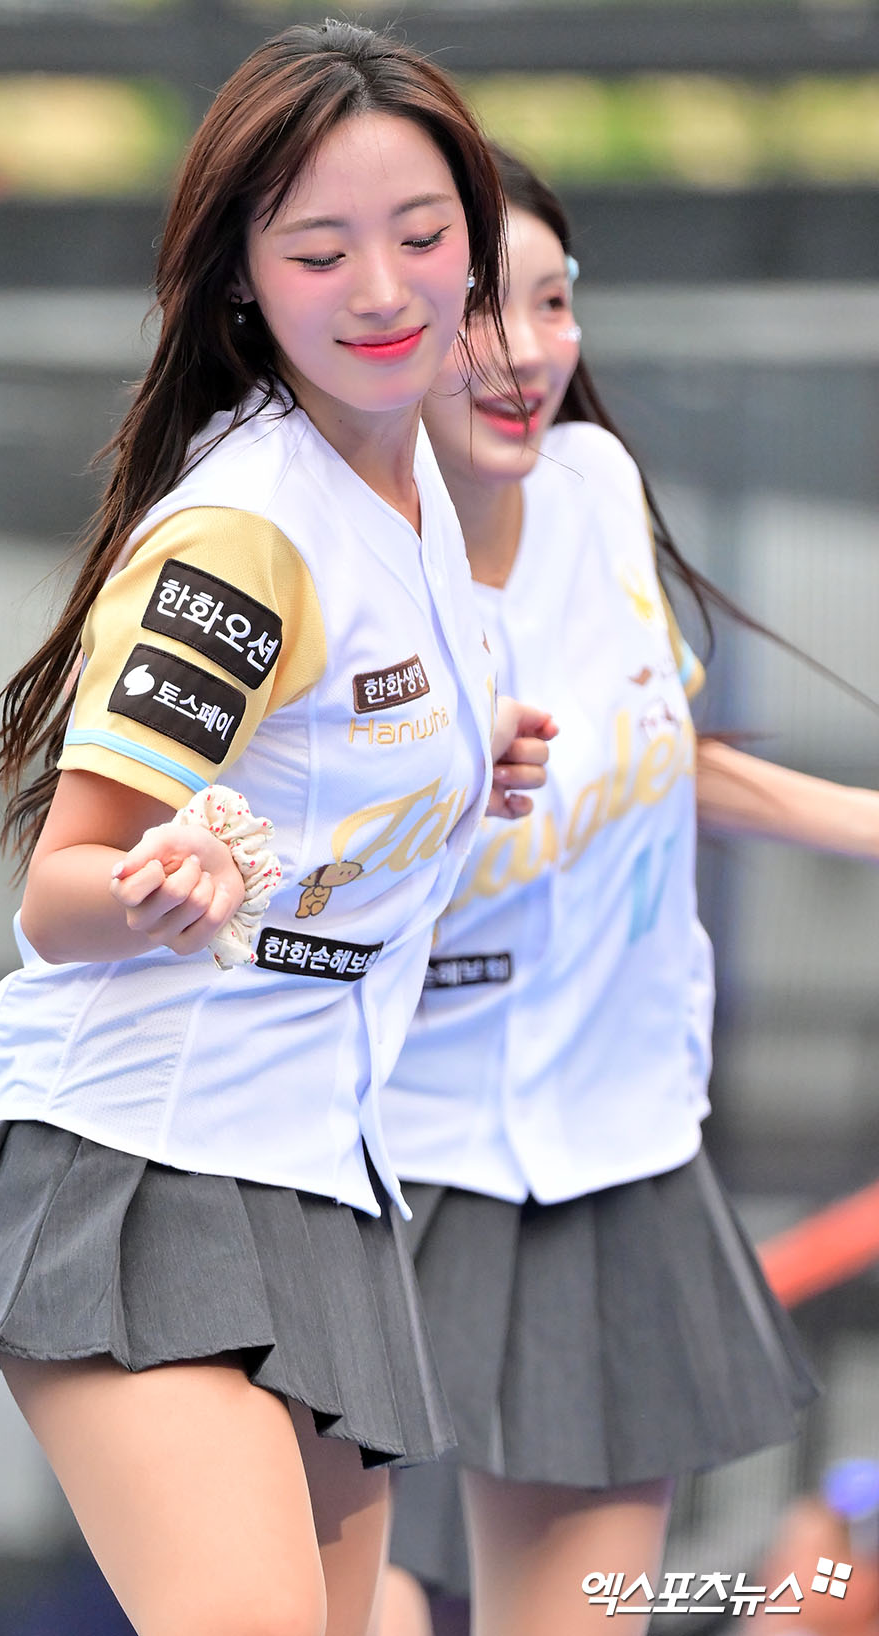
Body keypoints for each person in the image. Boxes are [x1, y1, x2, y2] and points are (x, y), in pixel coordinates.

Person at [0, 27, 553, 1636]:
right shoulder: (245, 531)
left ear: (476, 242)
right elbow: (61, 892)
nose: (381, 289)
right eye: (318, 252)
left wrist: (472, 761)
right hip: (137, 1162)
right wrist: (161, 886)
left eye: (423, 235)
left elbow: (339, 744)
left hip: (318, 1174)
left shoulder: (414, 480)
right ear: (242, 279)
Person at [375, 146, 879, 1636]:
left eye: (554, 301)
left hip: (617, 1153)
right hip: (385, 1167)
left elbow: (658, 758)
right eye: (485, 309)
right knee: (358, 1600)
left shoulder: (596, 489)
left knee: (594, 1607)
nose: (527, 349)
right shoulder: (322, 569)